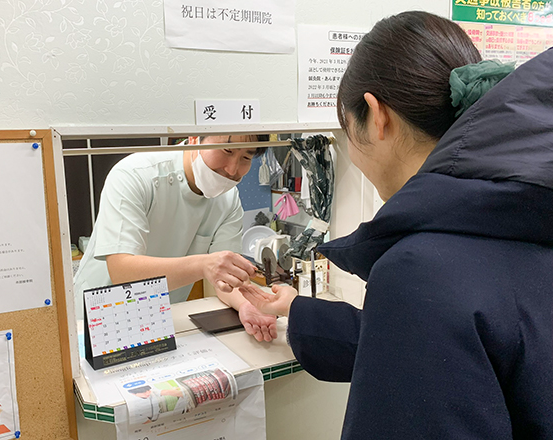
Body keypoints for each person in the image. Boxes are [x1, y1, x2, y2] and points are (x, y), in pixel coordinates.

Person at [241, 11, 553, 439]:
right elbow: (457, 347)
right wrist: (296, 307)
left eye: (347, 129)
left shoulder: (421, 270)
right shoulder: (526, 216)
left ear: (377, 115)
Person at [74, 135, 278, 342]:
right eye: (227, 151)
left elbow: (224, 279)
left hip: (160, 319)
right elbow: (122, 271)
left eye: (246, 157)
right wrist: (204, 265)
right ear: (194, 137)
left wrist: (246, 305)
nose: (232, 170)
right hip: (97, 320)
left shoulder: (229, 199)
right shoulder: (134, 175)